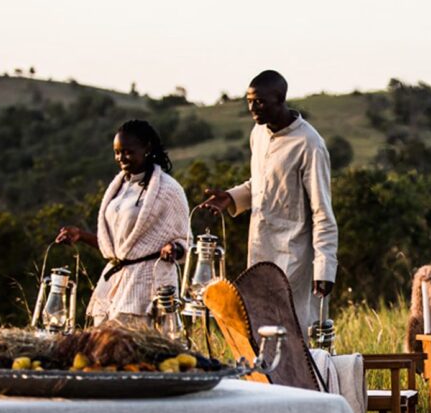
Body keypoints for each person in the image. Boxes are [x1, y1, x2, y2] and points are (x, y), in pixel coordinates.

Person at [199, 70, 338, 329]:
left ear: (280, 98)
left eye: (260, 102)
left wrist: (324, 268)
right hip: (260, 248)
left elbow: (322, 211)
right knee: (260, 328)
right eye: (249, 101)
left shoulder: (309, 144)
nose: (253, 108)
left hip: (293, 255)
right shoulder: (258, 134)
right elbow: (261, 185)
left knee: (293, 331)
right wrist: (230, 197)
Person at [56, 119, 191, 327]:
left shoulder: (169, 190)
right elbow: (119, 250)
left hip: (146, 286)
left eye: (127, 152)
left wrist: (174, 248)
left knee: (138, 353)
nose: (121, 158)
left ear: (147, 148)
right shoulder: (119, 187)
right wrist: (81, 235)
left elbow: (186, 242)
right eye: (117, 152)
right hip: (114, 283)